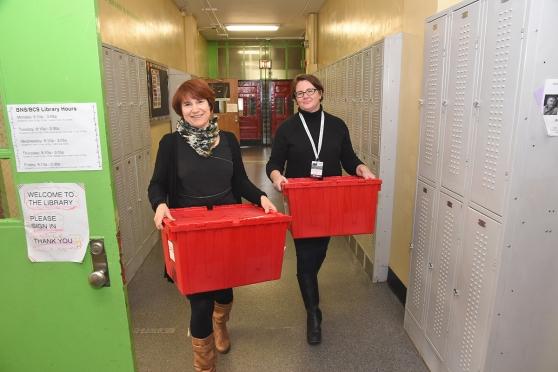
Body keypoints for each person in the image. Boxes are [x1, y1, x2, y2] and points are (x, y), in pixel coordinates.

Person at [148, 78, 277, 372]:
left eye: (200, 102)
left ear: (210, 104)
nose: (195, 109)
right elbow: (156, 184)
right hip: (191, 230)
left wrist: (261, 198)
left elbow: (240, 181)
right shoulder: (171, 144)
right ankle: (205, 365)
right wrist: (160, 204)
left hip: (227, 226)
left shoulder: (229, 140)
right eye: (187, 104)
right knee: (200, 302)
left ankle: (221, 325)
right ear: (180, 110)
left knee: (224, 291)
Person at [266, 74, 376, 345]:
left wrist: (362, 169)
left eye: (310, 91)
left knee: (319, 253)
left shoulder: (337, 126)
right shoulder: (287, 129)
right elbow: (274, 164)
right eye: (300, 93)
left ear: (321, 93)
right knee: (305, 258)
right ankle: (313, 314)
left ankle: (309, 287)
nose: (305, 96)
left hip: (328, 202)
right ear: (295, 99)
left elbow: (348, 159)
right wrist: (278, 178)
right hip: (301, 202)